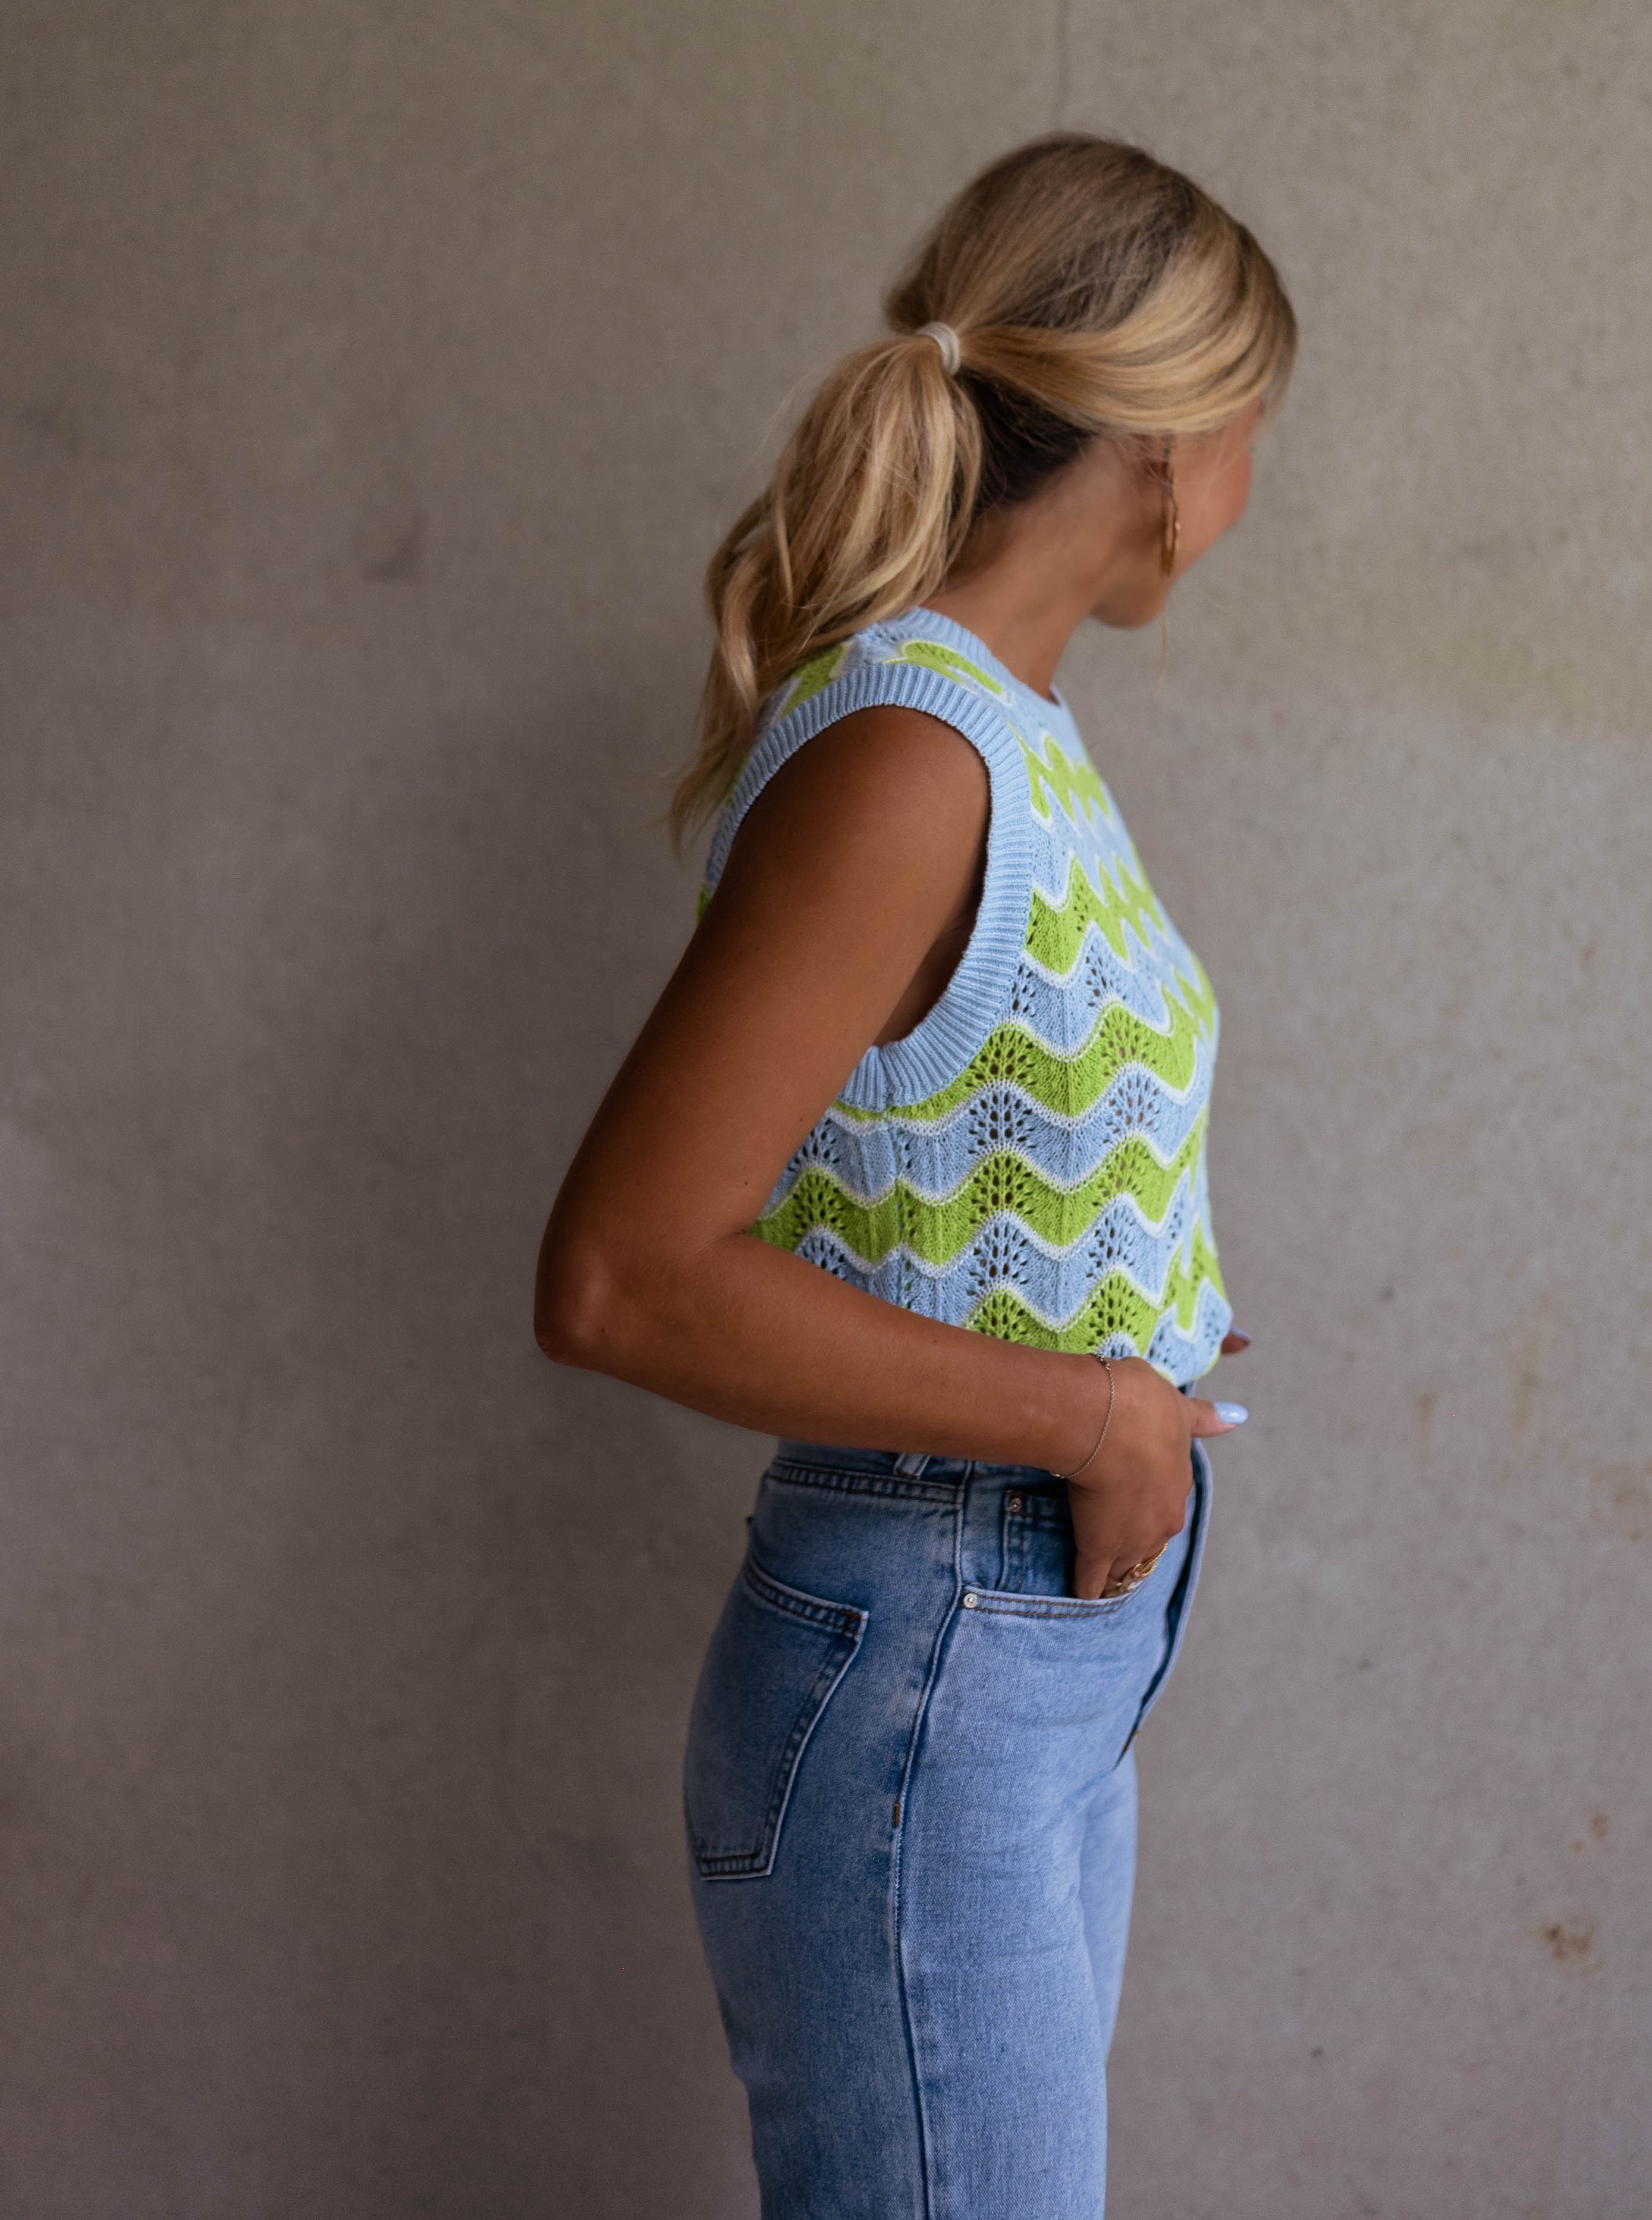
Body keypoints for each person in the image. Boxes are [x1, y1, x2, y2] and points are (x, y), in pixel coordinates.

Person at [535, 133, 1296, 2219]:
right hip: (937, 1649)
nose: (1250, 497)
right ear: (1171, 444)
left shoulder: (1001, 735)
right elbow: (623, 1273)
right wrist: (1097, 1408)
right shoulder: (910, 752)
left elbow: (924, 1142)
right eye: (1257, 438)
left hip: (1019, 1651)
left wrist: (1124, 1298)